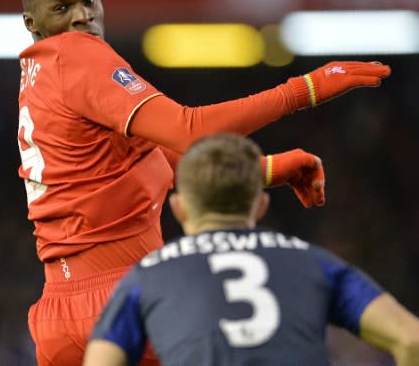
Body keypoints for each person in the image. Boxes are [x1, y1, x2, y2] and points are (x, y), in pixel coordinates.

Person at [16, 0, 391, 365]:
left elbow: (157, 157)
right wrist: (305, 89)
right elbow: (189, 129)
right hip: (123, 299)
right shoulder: (78, 56)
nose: (82, 16)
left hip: (57, 314)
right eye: (61, 7)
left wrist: (264, 170)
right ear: (31, 22)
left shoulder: (40, 73)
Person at [84, 133, 419, 365]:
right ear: (260, 205)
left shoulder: (148, 276)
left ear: (179, 208)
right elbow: (411, 339)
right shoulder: (313, 262)